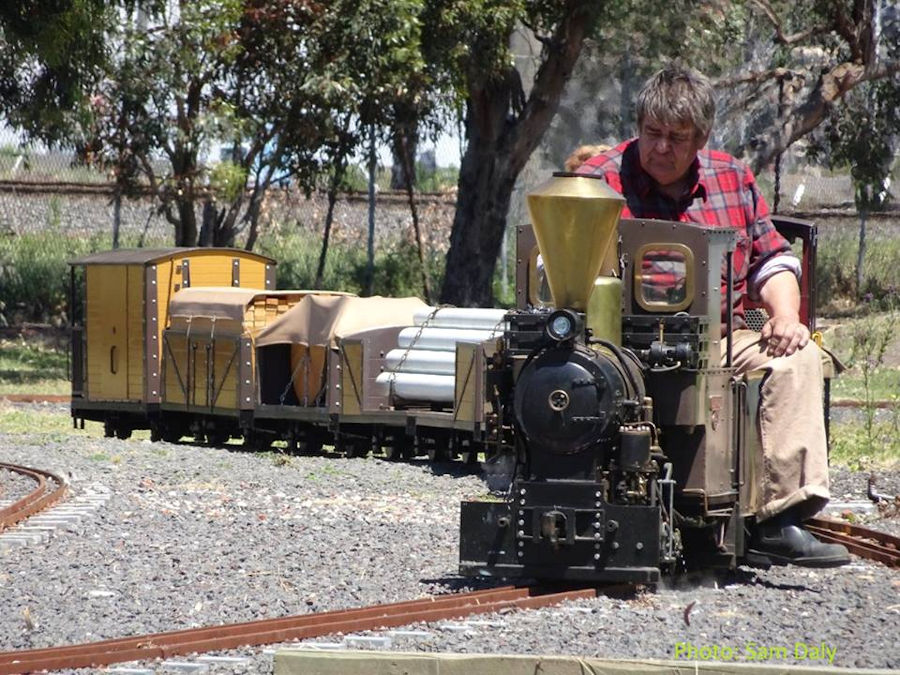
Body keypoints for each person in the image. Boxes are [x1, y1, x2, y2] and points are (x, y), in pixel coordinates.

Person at [576, 64, 849, 568]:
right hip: (620, 347)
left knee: (796, 358)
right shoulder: (596, 182)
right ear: (639, 125)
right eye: (652, 134)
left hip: (718, 339)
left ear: (701, 138)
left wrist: (786, 315)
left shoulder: (733, 177)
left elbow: (772, 260)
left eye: (676, 138)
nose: (661, 148)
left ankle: (777, 520)